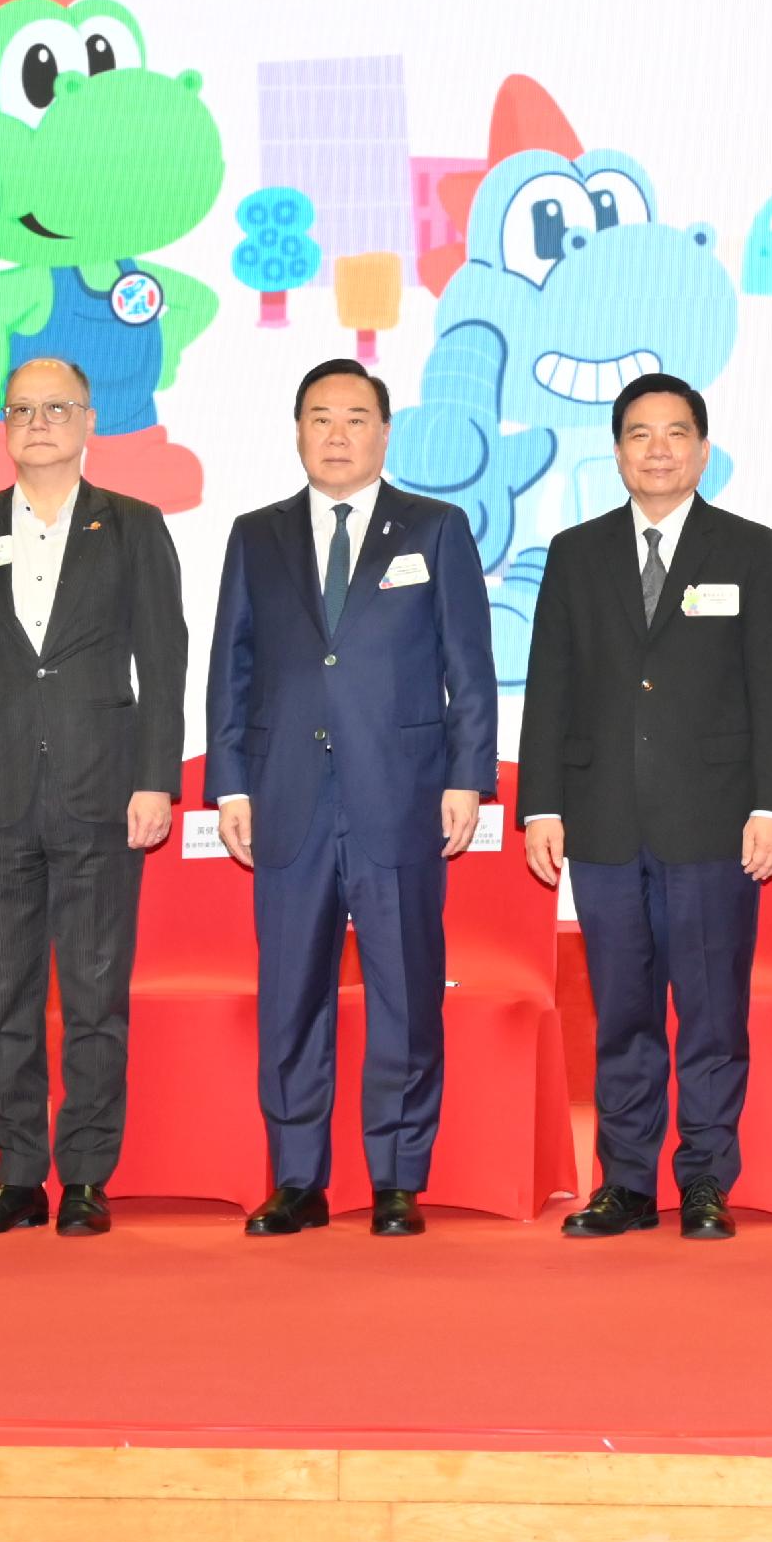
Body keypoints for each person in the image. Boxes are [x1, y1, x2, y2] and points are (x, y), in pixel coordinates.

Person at [205, 357, 498, 1237]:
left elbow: (469, 667)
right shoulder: (256, 535)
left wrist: (467, 776)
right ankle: (298, 1177)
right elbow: (231, 666)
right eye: (321, 418)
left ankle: (398, 1175)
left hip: (401, 795)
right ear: (298, 431)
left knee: (405, 992)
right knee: (291, 994)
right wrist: (230, 782)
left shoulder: (435, 529)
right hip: (286, 796)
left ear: (385, 431)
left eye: (356, 418)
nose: (337, 435)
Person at [517, 372, 772, 1241]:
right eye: (640, 433)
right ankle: (627, 1182)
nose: (659, 449)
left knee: (711, 1013)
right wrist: (540, 804)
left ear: (703, 450)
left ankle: (706, 1178)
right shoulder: (576, 552)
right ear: (617, 452)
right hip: (601, 819)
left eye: (676, 433)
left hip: (713, 820)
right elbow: (549, 684)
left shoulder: (747, 548)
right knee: (623, 1013)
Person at [0, 355, 186, 1237]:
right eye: (21, 409)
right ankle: (18, 1174)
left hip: (104, 788)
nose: (37, 423)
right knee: (8, 997)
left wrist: (156, 777)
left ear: (88, 421)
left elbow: (165, 660)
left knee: (96, 993)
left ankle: (87, 1174)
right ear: (3, 424)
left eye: (55, 407)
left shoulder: (133, 525)